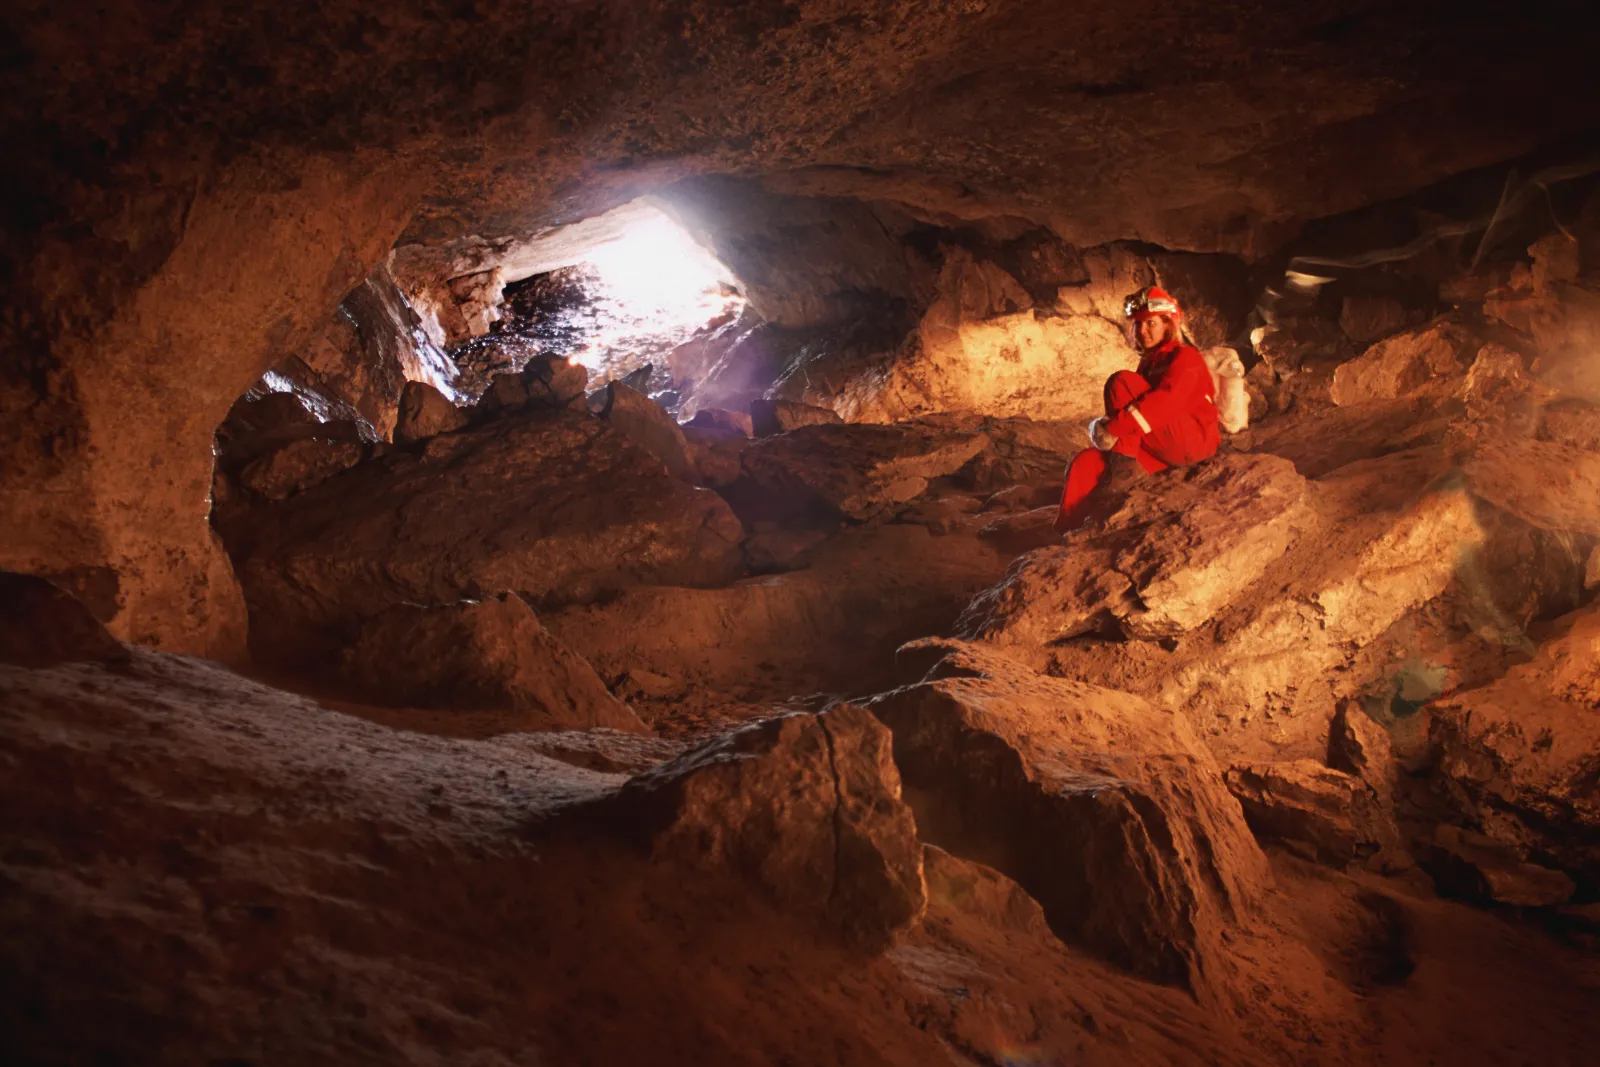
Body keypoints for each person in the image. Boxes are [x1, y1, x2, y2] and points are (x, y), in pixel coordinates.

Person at [1053, 285, 1220, 532]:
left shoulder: (1186, 357)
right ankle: (1067, 532)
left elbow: (1166, 403)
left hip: (1192, 444)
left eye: (1150, 323)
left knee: (1121, 382)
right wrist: (1109, 430)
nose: (1142, 331)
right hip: (1162, 447)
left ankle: (1125, 472)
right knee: (1086, 462)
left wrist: (1112, 428)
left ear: (1167, 323)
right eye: (1138, 325)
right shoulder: (1149, 365)